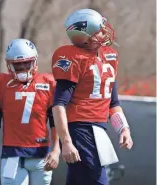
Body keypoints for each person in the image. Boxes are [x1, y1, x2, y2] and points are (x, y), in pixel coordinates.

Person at [51, 9, 134, 185]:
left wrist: (123, 128)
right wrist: (66, 142)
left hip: (98, 128)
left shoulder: (108, 56)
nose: (105, 32)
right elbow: (58, 104)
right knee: (97, 180)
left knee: (79, 180)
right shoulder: (73, 57)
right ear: (87, 37)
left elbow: (113, 102)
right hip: (80, 128)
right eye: (100, 30)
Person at [0, 38, 60, 185]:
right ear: (9, 64)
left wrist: (56, 150)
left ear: (35, 61)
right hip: (12, 156)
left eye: (27, 62)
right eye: (18, 65)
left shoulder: (48, 83)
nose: (23, 67)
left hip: (41, 155)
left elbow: (55, 121)